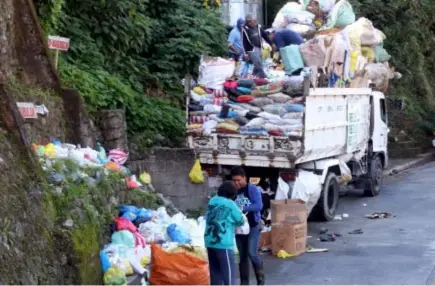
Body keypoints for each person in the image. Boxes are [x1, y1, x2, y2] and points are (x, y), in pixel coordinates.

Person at [204, 181, 245, 285]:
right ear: (232, 195)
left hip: (209, 241)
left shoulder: (212, 201)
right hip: (223, 243)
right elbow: (240, 220)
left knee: (215, 273)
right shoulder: (230, 204)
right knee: (229, 275)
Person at [231, 167, 265, 285]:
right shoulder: (233, 192)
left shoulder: (252, 189)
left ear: (244, 178)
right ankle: (244, 283)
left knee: (252, 253)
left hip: (253, 226)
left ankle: (260, 281)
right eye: (234, 180)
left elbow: (259, 206)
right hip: (239, 229)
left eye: (238, 180)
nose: (236, 183)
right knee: (242, 257)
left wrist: (243, 208)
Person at [241, 14, 272, 78]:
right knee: (259, 65)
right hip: (251, 49)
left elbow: (265, 35)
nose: (254, 22)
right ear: (248, 22)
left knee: (257, 65)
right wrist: (245, 54)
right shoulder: (244, 29)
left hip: (259, 48)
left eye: (255, 21)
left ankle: (253, 77)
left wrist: (271, 43)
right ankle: (265, 78)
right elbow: (243, 42)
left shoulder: (258, 27)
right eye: (252, 21)